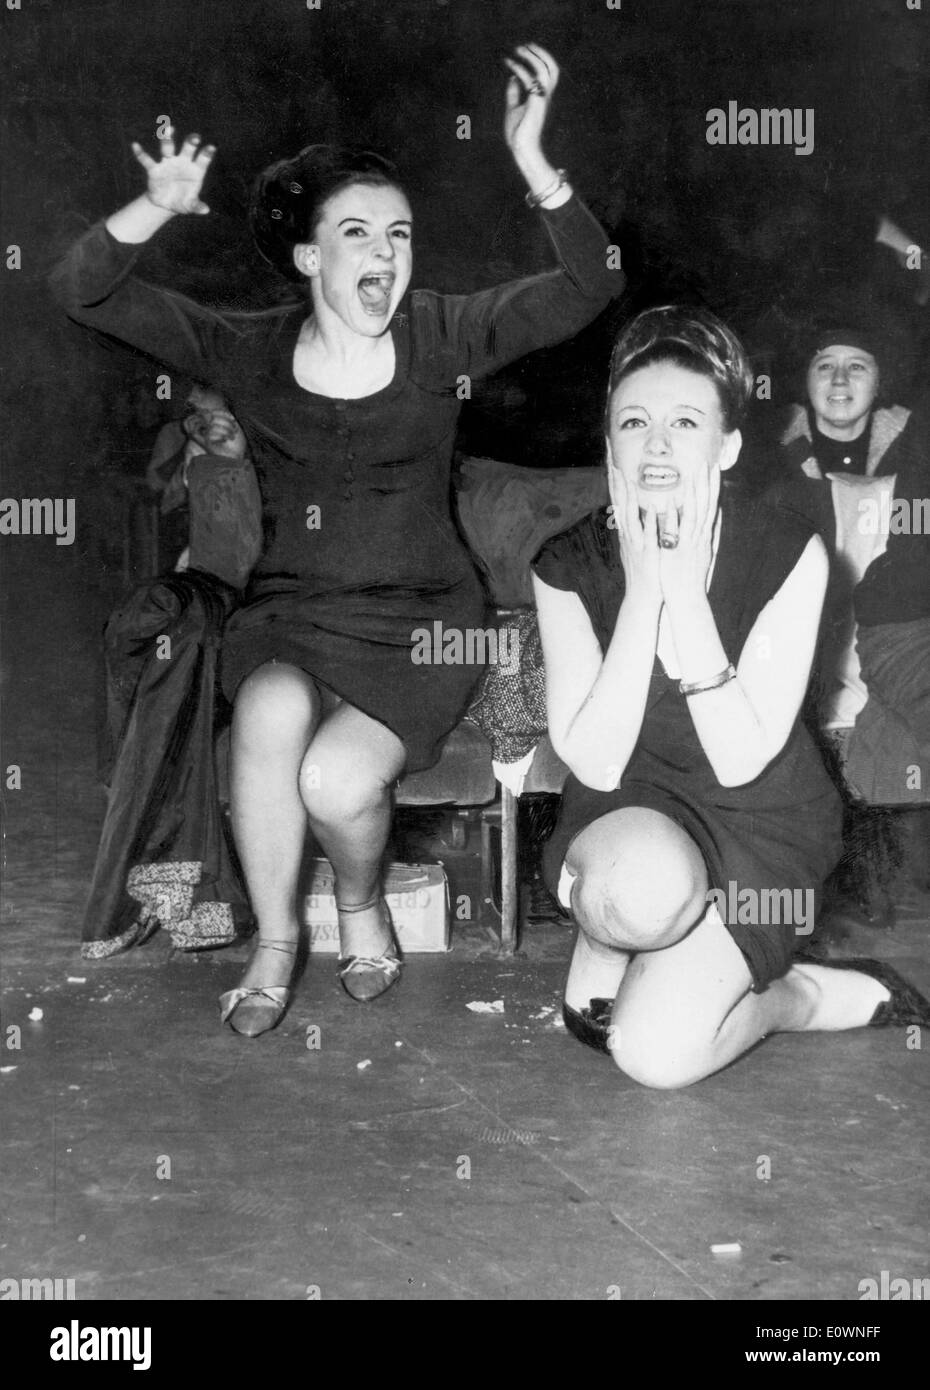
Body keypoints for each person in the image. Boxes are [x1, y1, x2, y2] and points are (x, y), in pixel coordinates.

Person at [51, 44, 625, 1035]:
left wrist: (535, 161)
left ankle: (359, 905)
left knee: (336, 779)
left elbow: (591, 284)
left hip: (417, 627)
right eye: (358, 232)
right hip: (291, 615)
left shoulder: (442, 335)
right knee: (269, 711)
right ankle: (278, 938)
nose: (387, 254)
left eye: (400, 234)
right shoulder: (248, 350)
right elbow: (82, 290)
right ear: (311, 256)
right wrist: (151, 206)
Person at [531, 306, 930, 1089]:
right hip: (629, 808)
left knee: (653, 1057)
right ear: (608, 443)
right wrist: (644, 592)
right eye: (633, 421)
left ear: (729, 445)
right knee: (640, 899)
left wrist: (686, 597)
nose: (656, 443)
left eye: (686, 421)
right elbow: (598, 759)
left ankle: (794, 998)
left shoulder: (788, 551)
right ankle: (616, 942)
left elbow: (742, 756)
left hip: (761, 817)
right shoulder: (567, 564)